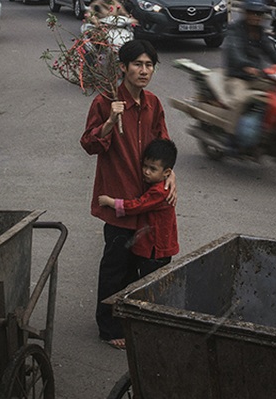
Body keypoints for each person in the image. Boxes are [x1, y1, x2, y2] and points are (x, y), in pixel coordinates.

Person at [80, 39, 177, 350]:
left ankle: (133, 319)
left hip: (147, 204)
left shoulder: (154, 104)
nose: (144, 70)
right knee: (115, 267)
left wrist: (171, 174)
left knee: (142, 268)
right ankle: (108, 327)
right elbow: (89, 144)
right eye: (138, 64)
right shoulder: (104, 102)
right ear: (123, 67)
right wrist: (109, 121)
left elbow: (164, 145)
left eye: (149, 65)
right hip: (120, 202)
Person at [97, 138, 179, 278]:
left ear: (167, 172)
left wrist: (110, 202)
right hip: (156, 248)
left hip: (156, 250)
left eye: (152, 169)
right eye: (145, 166)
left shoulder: (159, 191)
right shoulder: (158, 185)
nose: (146, 172)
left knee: (149, 283)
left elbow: (137, 205)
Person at [222, 0, 276, 145]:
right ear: (245, 13)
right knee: (239, 100)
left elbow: (273, 55)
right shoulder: (235, 29)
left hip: (256, 76)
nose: (255, 17)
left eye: (259, 14)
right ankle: (230, 137)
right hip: (238, 76)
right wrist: (246, 65)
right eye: (252, 13)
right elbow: (235, 53)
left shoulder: (261, 33)